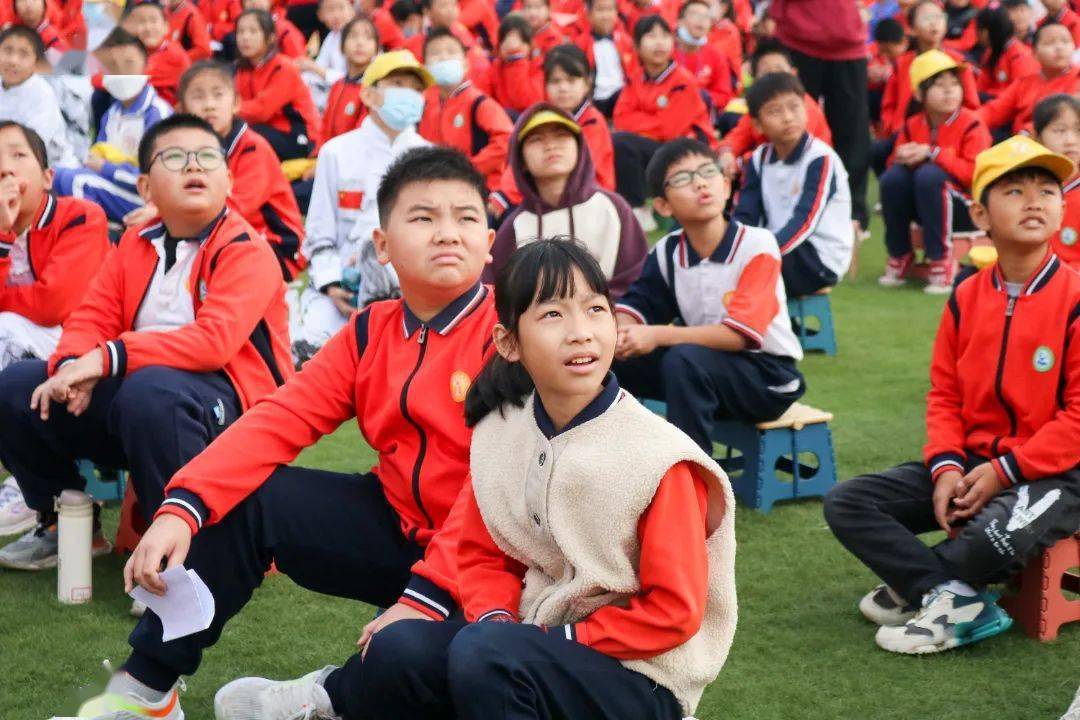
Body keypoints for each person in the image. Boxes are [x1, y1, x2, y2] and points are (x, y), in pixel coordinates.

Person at [211, 238, 738, 720]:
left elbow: (674, 612)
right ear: (508, 343)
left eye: (595, 309)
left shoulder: (658, 458)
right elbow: (486, 555)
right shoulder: (504, 431)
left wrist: (555, 637)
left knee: (485, 655)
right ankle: (337, 697)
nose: (580, 330)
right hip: (536, 643)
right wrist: (496, 621)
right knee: (401, 648)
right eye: (553, 314)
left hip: (640, 677)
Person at [70, 147, 499, 720]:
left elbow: (493, 490)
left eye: (465, 217)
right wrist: (180, 507)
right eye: (423, 217)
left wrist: (428, 594)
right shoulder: (370, 330)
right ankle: (146, 688)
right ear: (382, 245)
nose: (447, 232)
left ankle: (325, 695)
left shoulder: (509, 334)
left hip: (489, 559)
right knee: (243, 499)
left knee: (415, 658)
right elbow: (279, 418)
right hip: (399, 525)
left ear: (488, 242)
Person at [0, 114, 292, 576]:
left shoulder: (247, 248)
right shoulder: (135, 242)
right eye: (174, 157)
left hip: (232, 413)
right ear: (145, 187)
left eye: (207, 156)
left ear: (229, 179)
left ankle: (191, 556)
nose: (193, 165)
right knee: (17, 387)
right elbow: (92, 315)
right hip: (145, 403)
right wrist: (72, 367)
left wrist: (106, 358)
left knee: (151, 391)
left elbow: (213, 342)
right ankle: (64, 522)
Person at [823, 135, 1080, 655]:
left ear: (1061, 207)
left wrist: (1004, 472)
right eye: (1015, 191)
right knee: (847, 502)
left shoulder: (1075, 298)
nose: (1034, 201)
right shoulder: (966, 296)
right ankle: (947, 590)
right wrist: (946, 468)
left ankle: (927, 586)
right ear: (980, 215)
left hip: (1059, 473)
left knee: (990, 537)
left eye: (1047, 190)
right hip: (974, 462)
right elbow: (945, 394)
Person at [614, 138, 805, 454]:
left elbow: (738, 336)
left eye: (707, 171)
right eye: (682, 178)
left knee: (684, 360)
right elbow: (638, 305)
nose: (700, 183)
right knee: (611, 360)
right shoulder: (668, 251)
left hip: (768, 379)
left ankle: (694, 477)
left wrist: (656, 334)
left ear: (726, 186)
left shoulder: (757, 245)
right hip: (701, 370)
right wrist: (620, 337)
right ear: (663, 206)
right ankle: (619, 463)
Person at [0, 122, 109, 538]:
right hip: (32, 347)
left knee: (5, 330)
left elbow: (56, 304)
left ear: (47, 177)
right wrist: (3, 234)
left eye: (17, 155)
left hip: (82, 347)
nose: (5, 169)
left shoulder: (80, 215)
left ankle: (26, 483)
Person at [295, 50, 429, 360]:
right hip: (341, 287)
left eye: (416, 89)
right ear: (368, 95)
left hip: (409, 292)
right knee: (308, 354)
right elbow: (319, 230)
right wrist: (331, 284)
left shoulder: (430, 158)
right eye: (398, 84)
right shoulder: (336, 152)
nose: (409, 95)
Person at [125, 61, 307, 281]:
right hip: (218, 231)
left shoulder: (252, 148)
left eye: (218, 95)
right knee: (147, 242)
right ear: (181, 109)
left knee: (192, 257)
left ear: (236, 103)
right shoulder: (187, 149)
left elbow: (236, 208)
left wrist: (163, 213)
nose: (209, 105)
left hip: (275, 244)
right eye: (198, 97)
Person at [488, 106, 647, 300]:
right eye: (536, 139)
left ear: (580, 148)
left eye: (561, 135)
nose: (550, 146)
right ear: (521, 160)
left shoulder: (612, 207)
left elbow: (637, 280)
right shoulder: (515, 226)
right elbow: (499, 294)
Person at [877, 50, 992, 293]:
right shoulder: (912, 124)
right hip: (924, 204)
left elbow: (975, 175)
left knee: (929, 175)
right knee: (893, 178)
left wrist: (934, 153)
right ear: (920, 94)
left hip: (968, 208)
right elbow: (893, 168)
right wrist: (902, 158)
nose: (949, 91)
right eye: (939, 85)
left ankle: (941, 259)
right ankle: (900, 254)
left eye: (954, 84)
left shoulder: (972, 123)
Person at [733, 72, 854, 298]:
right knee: (723, 268)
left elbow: (805, 221)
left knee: (741, 278)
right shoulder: (759, 159)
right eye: (775, 111)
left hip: (818, 258)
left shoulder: (821, 158)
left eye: (794, 107)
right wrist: (732, 246)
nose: (788, 117)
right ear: (757, 125)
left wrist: (761, 253)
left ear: (806, 111)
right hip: (778, 251)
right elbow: (746, 215)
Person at [769, 0, 871, 235]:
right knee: (791, 127)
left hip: (848, 44)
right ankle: (792, 208)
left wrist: (861, 9)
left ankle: (852, 213)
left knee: (853, 132)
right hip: (797, 40)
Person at [54, 30, 172, 224]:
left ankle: (97, 231)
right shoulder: (112, 113)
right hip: (114, 185)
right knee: (56, 174)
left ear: (146, 66)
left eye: (129, 64)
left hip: (147, 199)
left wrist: (105, 167)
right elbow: (98, 155)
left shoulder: (156, 113)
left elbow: (155, 179)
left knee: (76, 182)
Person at [612, 15, 714, 219]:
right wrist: (653, 121)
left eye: (664, 36)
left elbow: (669, 129)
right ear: (637, 46)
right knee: (619, 141)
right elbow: (620, 118)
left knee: (621, 142)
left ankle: (640, 209)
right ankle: (638, 208)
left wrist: (641, 121)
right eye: (651, 36)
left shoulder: (682, 80)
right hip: (656, 146)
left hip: (687, 148)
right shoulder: (636, 78)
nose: (659, 43)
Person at [717, 40, 832, 178]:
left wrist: (740, 163)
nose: (775, 79)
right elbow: (739, 136)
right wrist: (726, 152)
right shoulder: (761, 106)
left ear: (793, 73)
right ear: (756, 81)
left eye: (780, 71)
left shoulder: (804, 106)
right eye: (767, 74)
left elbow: (790, 151)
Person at [419, 26, 512, 194]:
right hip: (441, 189)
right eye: (435, 53)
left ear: (465, 63)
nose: (443, 57)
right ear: (425, 67)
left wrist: (469, 168)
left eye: (451, 52)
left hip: (480, 189)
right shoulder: (427, 107)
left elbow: (506, 139)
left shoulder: (479, 102)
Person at [234, 8, 321, 160]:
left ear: (271, 38)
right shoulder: (242, 69)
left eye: (253, 31)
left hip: (299, 136)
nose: (245, 37)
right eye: (240, 32)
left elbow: (261, 111)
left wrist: (228, 110)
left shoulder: (283, 67)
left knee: (244, 134)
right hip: (266, 130)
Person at [980, 22, 1080, 137]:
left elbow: (1056, 120)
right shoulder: (1025, 82)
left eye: (1065, 41)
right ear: (1034, 53)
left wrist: (1026, 133)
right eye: (1050, 43)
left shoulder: (1077, 78)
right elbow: (994, 111)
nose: (1059, 47)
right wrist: (971, 120)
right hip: (1020, 140)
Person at [0, 25, 77, 168]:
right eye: (8, 51)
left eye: (23, 55)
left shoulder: (42, 94)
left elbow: (32, 146)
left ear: (36, 62)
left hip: (50, 168)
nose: (13, 61)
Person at [1033, 94, 1080, 271]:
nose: (1070, 141)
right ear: (1038, 137)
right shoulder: (1025, 188)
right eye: (1059, 131)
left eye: (1078, 131)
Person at [317, 15, 378, 149]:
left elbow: (362, 136)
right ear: (342, 47)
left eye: (368, 38)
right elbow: (324, 127)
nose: (360, 43)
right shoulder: (337, 85)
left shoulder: (374, 89)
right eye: (353, 36)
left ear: (376, 49)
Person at [120, 0, 191, 106]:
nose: (148, 28)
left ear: (166, 27)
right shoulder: (135, 50)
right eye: (141, 22)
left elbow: (131, 81)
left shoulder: (174, 55)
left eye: (153, 21)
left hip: (165, 112)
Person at [573, 0, 635, 117]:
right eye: (600, 10)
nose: (606, 15)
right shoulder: (581, 43)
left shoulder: (625, 41)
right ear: (589, 14)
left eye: (610, 10)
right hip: (594, 97)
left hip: (620, 95)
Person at [673, 0, 735, 114]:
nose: (701, 20)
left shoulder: (716, 55)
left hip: (702, 115)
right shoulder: (666, 51)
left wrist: (698, 97)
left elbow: (724, 95)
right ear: (680, 21)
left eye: (706, 16)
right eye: (694, 14)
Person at [974, 5, 1038, 102]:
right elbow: (981, 86)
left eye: (979, 29)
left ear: (989, 31)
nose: (977, 34)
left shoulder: (1020, 56)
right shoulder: (992, 52)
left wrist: (987, 96)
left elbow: (1019, 95)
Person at [489, 13, 543, 115]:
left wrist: (516, 59)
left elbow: (524, 103)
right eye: (507, 42)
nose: (513, 47)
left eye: (520, 42)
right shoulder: (496, 67)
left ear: (529, 45)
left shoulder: (537, 66)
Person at [868, 18, 907, 132]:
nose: (885, 55)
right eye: (882, 52)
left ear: (904, 42)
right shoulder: (872, 51)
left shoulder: (909, 58)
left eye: (888, 51)